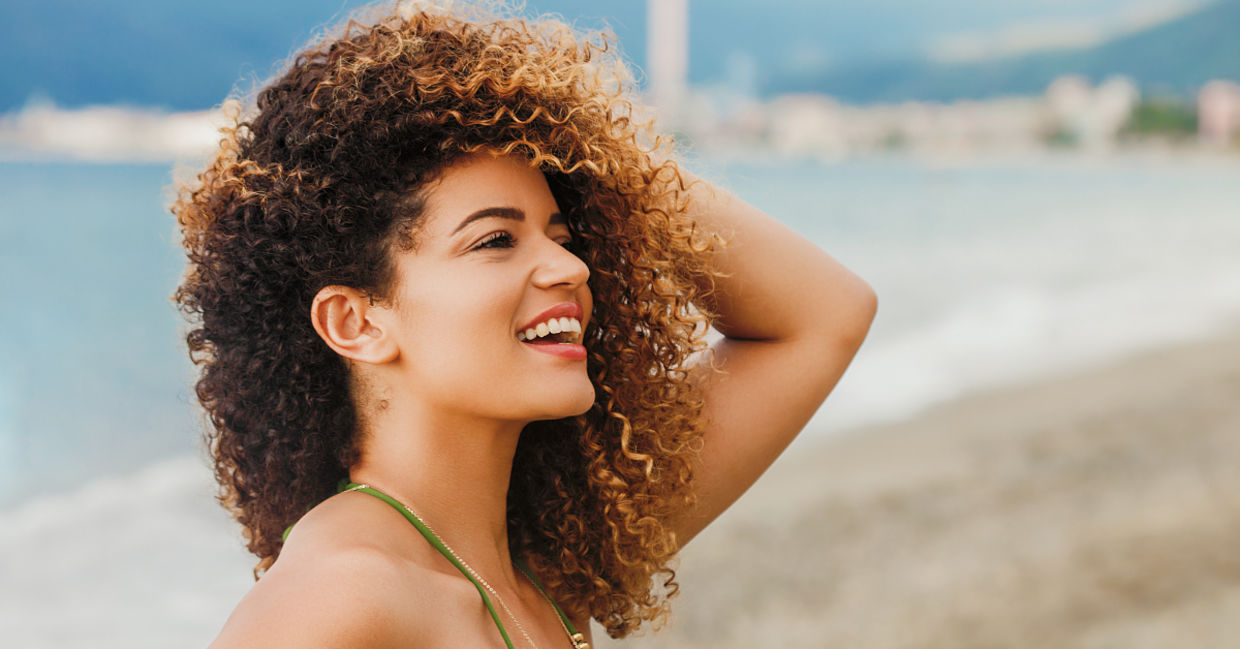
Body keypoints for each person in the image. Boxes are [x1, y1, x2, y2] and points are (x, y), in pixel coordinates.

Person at [174, 2, 876, 647]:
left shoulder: (547, 566)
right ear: (355, 322)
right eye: (495, 241)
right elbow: (821, 317)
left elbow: (825, 313)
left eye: (563, 233)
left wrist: (589, 148)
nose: (569, 268)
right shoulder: (345, 594)